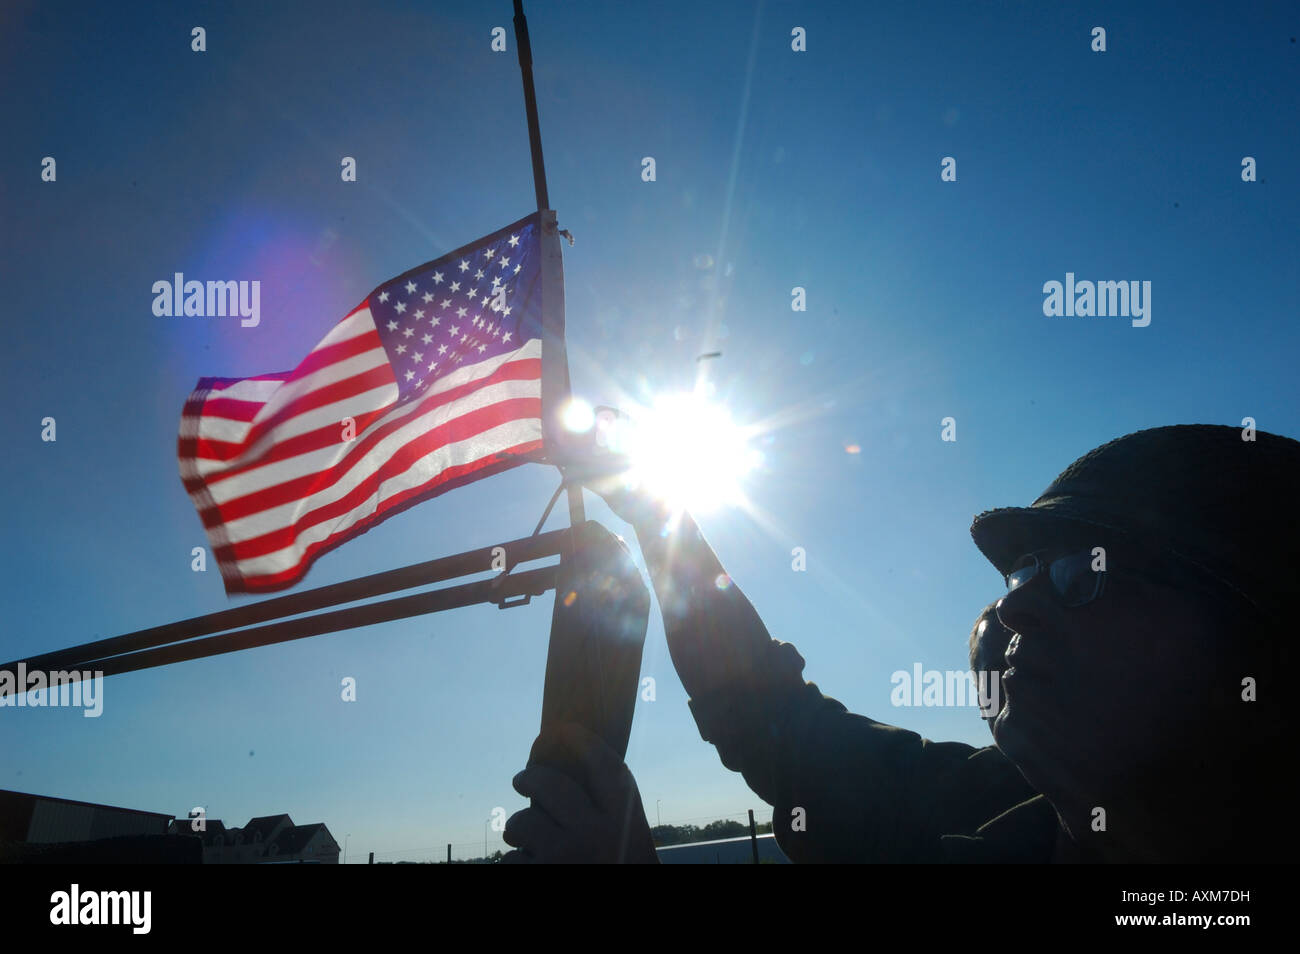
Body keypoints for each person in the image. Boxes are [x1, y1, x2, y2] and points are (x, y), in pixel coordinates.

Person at [505, 423, 1296, 863]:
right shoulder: (970, 808)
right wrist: (659, 520)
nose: (1013, 617)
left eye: (1078, 576)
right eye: (1016, 582)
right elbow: (771, 723)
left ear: (1261, 651)